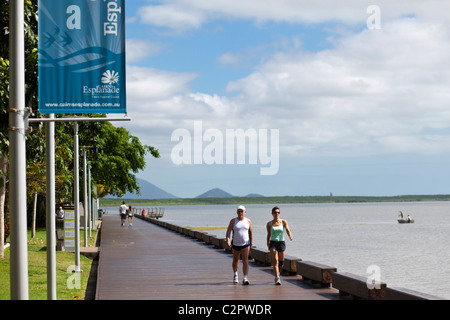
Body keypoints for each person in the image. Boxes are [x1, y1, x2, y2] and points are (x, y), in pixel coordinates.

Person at [226, 205, 253, 285]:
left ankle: (245, 278)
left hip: (245, 244)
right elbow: (228, 232)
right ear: (237, 212)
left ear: (245, 212)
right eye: (239, 211)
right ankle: (235, 274)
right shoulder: (233, 221)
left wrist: (251, 242)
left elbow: (250, 232)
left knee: (245, 261)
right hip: (235, 244)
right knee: (235, 260)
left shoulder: (248, 221)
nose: (240, 213)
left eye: (242, 211)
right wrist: (228, 240)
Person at [266, 206, 293, 285]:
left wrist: (290, 236)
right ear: (272, 214)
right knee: (275, 261)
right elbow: (269, 234)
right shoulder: (269, 224)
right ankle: (277, 277)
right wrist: (267, 243)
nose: (277, 214)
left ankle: (278, 273)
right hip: (273, 243)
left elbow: (288, 230)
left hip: (281, 243)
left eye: (278, 212)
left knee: (281, 262)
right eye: (275, 212)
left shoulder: (283, 222)